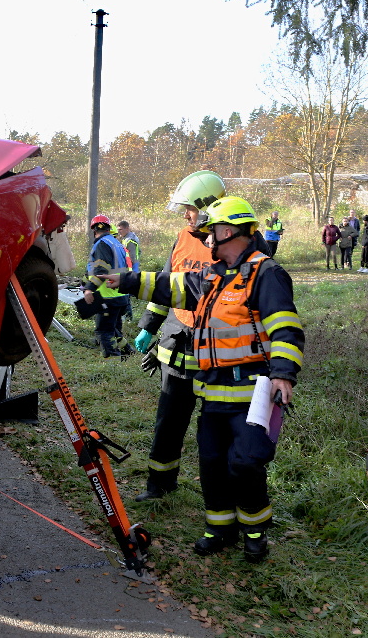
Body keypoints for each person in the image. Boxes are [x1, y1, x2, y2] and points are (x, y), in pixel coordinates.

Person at [106, 196, 304, 564]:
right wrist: (124, 280)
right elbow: (172, 286)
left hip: (250, 394)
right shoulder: (214, 276)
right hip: (213, 392)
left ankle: (256, 531)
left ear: (230, 232)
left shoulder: (266, 274)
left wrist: (283, 375)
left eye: (212, 234)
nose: (208, 241)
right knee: (212, 463)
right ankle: (220, 529)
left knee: (244, 463)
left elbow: (285, 328)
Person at [131, 170, 226, 502]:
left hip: (217, 355)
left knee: (214, 432)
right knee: (168, 422)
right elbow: (165, 286)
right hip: (177, 347)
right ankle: (159, 485)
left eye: (190, 208)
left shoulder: (238, 243)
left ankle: (217, 494)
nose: (186, 215)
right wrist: (148, 326)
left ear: (208, 207)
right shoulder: (182, 237)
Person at [82, 214, 130, 359]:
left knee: (103, 331)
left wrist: (89, 288)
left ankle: (113, 360)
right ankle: (127, 351)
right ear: (109, 228)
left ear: (94, 230)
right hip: (120, 294)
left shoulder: (102, 244)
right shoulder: (116, 243)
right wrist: (84, 283)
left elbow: (101, 270)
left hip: (107, 296)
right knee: (114, 329)